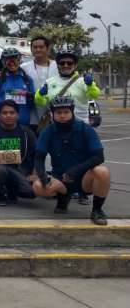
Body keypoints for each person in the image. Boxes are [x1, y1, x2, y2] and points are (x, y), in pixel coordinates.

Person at [32, 96, 110, 225]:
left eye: (66, 112)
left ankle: (97, 210)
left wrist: (75, 170)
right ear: (52, 114)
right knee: (38, 186)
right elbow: (39, 159)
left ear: (72, 112)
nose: (62, 116)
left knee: (103, 171)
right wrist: (43, 176)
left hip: (84, 177)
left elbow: (99, 157)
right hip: (61, 178)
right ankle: (63, 197)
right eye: (58, 113)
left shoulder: (86, 129)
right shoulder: (47, 132)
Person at [0, 100, 36, 206]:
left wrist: (34, 174)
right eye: (4, 113)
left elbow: (37, 156)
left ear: (18, 115)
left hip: (21, 169)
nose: (8, 115)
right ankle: (0, 195)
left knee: (32, 193)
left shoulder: (27, 132)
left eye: (12, 112)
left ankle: (12, 191)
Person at [35, 48, 100, 124]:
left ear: (75, 65)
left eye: (70, 63)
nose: (66, 65)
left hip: (80, 127)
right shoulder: (49, 82)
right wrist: (40, 95)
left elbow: (94, 96)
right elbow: (40, 103)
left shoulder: (83, 81)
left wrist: (90, 85)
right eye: (62, 63)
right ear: (58, 65)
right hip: (57, 128)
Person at [0, 47, 35, 128]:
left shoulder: (27, 79)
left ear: (19, 60)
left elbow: (32, 105)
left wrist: (31, 97)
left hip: (22, 122)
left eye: (14, 59)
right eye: (8, 60)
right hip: (2, 123)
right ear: (3, 61)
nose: (11, 62)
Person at [20, 35, 58, 131]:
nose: (38, 50)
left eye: (41, 47)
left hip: (55, 115)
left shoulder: (57, 66)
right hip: (32, 117)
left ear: (48, 49)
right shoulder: (24, 67)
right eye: (35, 47)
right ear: (31, 49)